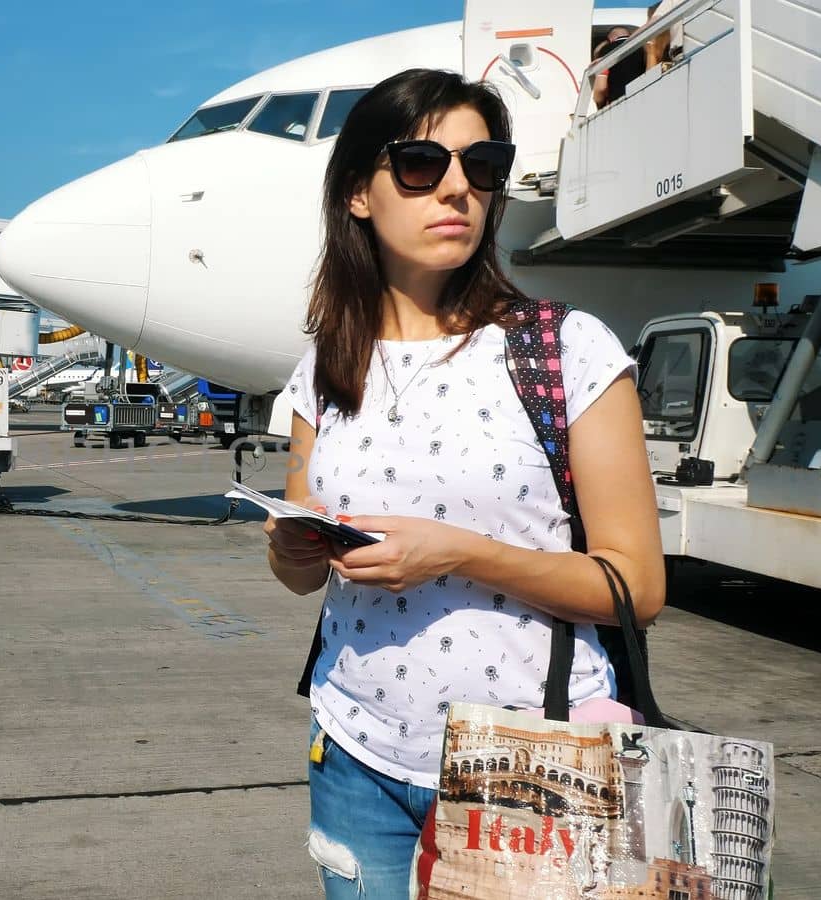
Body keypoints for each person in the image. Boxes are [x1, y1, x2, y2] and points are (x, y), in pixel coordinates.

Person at [261, 69, 664, 900]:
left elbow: (637, 585)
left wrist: (458, 553)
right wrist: (294, 547)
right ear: (358, 195)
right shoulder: (325, 370)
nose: (456, 187)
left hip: (531, 764)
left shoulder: (568, 350)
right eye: (419, 164)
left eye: (481, 166)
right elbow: (301, 578)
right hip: (354, 751)